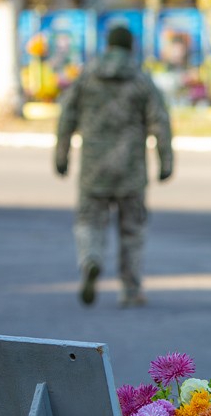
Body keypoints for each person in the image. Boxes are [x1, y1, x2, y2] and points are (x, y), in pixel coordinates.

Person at [55, 25, 173, 308]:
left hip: (94, 168)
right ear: (130, 46)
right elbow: (160, 122)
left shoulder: (87, 77)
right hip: (131, 170)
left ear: (107, 46)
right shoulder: (141, 80)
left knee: (88, 221)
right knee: (132, 230)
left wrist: (61, 156)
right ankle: (130, 289)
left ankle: (91, 259)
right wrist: (165, 161)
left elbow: (66, 117)